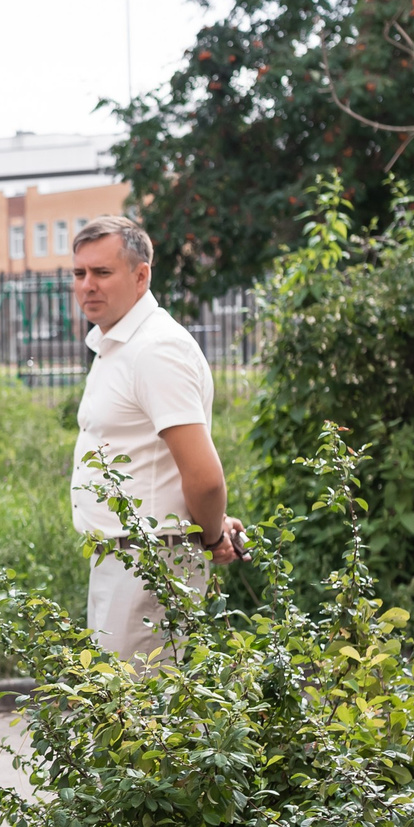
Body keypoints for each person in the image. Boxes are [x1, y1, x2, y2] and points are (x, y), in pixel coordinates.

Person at [68, 217, 241, 661]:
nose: (88, 285)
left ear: (141, 275)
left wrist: (210, 535)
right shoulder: (119, 344)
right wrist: (212, 529)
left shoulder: (156, 349)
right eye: (79, 273)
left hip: (149, 566)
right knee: (126, 717)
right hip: (124, 559)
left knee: (141, 719)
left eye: (102, 273)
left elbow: (204, 478)